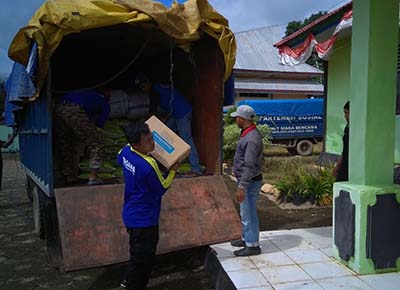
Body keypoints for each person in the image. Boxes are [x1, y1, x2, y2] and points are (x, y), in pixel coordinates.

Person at [118, 122, 179, 290]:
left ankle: (128, 280)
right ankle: (133, 285)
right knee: (143, 261)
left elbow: (119, 159)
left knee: (137, 254)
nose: (153, 143)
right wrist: (173, 170)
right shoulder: (147, 165)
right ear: (136, 144)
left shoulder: (125, 151)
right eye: (148, 140)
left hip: (130, 213)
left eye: (152, 137)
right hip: (144, 219)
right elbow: (162, 186)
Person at [139, 78, 203, 177]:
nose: (144, 89)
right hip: (177, 112)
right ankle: (168, 161)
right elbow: (171, 104)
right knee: (165, 133)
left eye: (144, 86)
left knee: (187, 139)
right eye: (141, 88)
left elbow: (152, 113)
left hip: (182, 113)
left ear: (148, 83)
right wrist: (164, 119)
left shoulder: (154, 92)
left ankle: (196, 169)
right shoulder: (159, 87)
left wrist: (144, 124)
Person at [55, 89, 110, 185]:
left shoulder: (86, 94)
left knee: (65, 143)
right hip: (74, 109)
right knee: (97, 142)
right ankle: (93, 177)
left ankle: (68, 176)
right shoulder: (103, 102)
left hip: (59, 107)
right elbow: (99, 126)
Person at [229, 105, 264, 257]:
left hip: (249, 182)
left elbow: (249, 165)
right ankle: (246, 238)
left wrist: (242, 186)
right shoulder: (247, 133)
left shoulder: (251, 139)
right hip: (247, 180)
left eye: (237, 118)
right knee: (245, 213)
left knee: (248, 213)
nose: (235, 120)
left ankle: (253, 245)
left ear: (242, 119)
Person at [333, 101, 349, 182]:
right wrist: (338, 164)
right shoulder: (348, 127)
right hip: (345, 163)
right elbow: (345, 150)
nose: (345, 116)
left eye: (347, 113)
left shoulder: (356, 129)